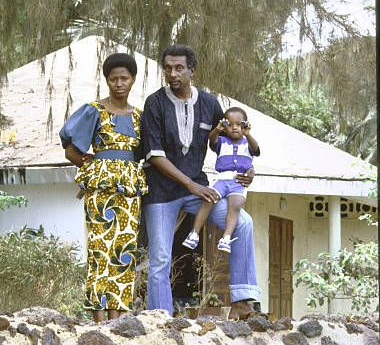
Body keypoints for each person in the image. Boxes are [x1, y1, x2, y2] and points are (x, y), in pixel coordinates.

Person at [141, 44, 262, 319]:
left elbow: (234, 140)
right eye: (168, 68)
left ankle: (243, 303)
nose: (173, 74)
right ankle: (160, 319)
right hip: (161, 192)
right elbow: (155, 156)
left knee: (243, 222)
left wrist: (249, 170)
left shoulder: (209, 104)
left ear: (191, 70)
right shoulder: (155, 104)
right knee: (160, 257)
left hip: (198, 188)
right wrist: (191, 185)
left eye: (179, 68)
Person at [59, 52, 148, 322]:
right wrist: (93, 163)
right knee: (100, 248)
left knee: (125, 249)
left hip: (129, 187)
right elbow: (71, 152)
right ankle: (99, 319)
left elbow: (146, 153)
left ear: (133, 80)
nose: (119, 83)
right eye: (113, 79)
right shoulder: (94, 110)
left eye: (124, 78)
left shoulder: (141, 117)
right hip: (100, 186)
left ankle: (118, 317)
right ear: (107, 81)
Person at [182, 106, 260, 253]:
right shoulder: (222, 141)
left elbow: (256, 149)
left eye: (239, 124)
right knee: (209, 198)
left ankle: (226, 237)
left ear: (244, 125)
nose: (234, 128)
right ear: (224, 126)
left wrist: (248, 134)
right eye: (229, 125)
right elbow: (212, 140)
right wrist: (217, 129)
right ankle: (194, 233)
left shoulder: (247, 143)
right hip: (222, 179)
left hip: (238, 182)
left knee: (236, 204)